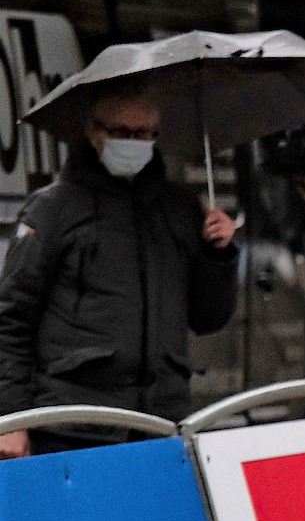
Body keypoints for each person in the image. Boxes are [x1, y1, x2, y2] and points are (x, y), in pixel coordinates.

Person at [0, 84, 238, 458]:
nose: (134, 142)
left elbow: (208, 318)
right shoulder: (53, 209)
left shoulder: (179, 209)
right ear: (94, 131)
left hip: (161, 424)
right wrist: (10, 419)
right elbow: (12, 320)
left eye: (145, 134)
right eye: (122, 132)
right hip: (74, 427)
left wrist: (218, 255)